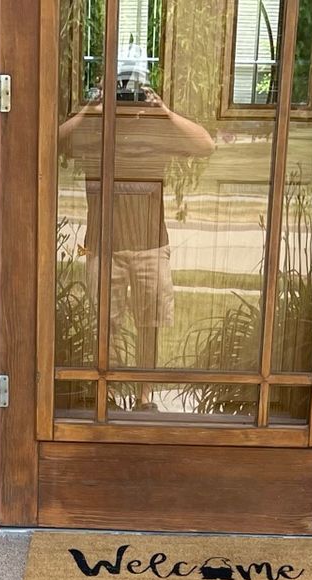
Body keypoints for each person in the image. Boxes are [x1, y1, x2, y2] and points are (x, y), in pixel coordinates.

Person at [58, 56, 215, 408]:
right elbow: (54, 143)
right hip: (102, 245)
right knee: (105, 325)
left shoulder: (156, 126)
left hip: (150, 244)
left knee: (150, 324)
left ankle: (145, 395)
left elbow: (205, 145)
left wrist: (164, 111)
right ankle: (108, 392)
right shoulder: (95, 126)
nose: (126, 97)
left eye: (132, 89)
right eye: (120, 88)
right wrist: (91, 108)